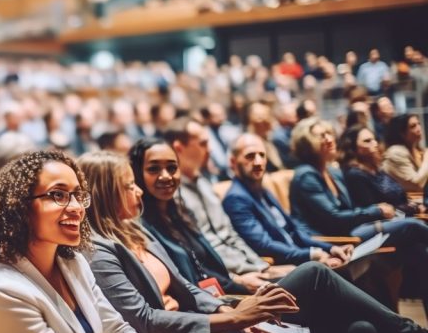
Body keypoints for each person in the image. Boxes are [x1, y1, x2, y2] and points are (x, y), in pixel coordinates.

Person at [81, 148, 428, 333]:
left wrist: (228, 310)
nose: (139, 189)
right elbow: (143, 321)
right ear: (105, 191)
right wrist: (229, 317)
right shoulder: (99, 251)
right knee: (314, 274)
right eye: (129, 185)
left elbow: (188, 286)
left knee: (362, 329)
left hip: (219, 318)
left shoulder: (136, 232)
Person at [0, 150, 176, 333]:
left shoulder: (72, 262)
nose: (77, 207)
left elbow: (116, 330)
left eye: (78, 195)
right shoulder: (3, 292)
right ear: (19, 207)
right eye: (58, 195)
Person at [289, 117, 428, 316]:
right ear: (306, 143)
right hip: (338, 237)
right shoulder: (306, 175)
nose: (329, 139)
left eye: (329, 133)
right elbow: (333, 218)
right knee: (412, 226)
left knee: (419, 251)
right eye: (321, 136)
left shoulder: (332, 171)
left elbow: (351, 209)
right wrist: (377, 211)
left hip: (351, 230)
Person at [166, 119, 295, 290]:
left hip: (253, 269)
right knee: (314, 274)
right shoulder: (172, 196)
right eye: (203, 143)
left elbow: (230, 234)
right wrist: (235, 279)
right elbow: (197, 256)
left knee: (309, 273)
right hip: (229, 281)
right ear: (179, 148)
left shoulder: (204, 183)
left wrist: (261, 266)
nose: (210, 149)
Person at [128, 138, 249, 295]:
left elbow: (203, 266)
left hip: (224, 292)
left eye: (172, 168)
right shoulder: (139, 227)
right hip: (203, 308)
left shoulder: (181, 212)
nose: (166, 176)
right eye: (153, 169)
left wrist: (239, 281)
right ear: (138, 174)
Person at [223, 133, 350, 266]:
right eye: (250, 156)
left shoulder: (262, 190)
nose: (258, 162)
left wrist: (330, 248)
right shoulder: (236, 199)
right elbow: (263, 245)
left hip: (300, 256)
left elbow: (294, 233)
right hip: (283, 266)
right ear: (233, 162)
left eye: (262, 155)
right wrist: (311, 255)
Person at [341, 125, 425, 215]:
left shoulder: (377, 169)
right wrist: (414, 208)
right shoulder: (355, 175)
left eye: (374, 139)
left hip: (407, 214)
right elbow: (377, 212)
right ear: (353, 148)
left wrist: (415, 206)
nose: (375, 144)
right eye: (367, 141)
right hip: (388, 224)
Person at [382, 113, 428, 193]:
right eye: (413, 126)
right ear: (402, 133)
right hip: (402, 202)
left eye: (418, 124)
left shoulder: (416, 149)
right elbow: (417, 185)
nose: (419, 128)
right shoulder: (395, 152)